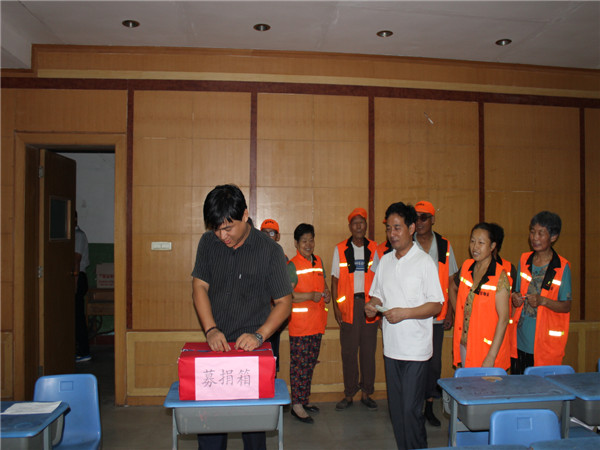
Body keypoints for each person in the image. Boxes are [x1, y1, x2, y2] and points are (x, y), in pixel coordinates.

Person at [191, 184, 292, 450]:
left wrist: (260, 335)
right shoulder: (208, 243)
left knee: (254, 430)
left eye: (228, 228)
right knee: (211, 428)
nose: (222, 235)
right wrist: (211, 329)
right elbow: (199, 286)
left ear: (245, 215)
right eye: (216, 228)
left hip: (253, 351)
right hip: (217, 346)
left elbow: (284, 303)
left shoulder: (269, 250)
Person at [365, 202, 444, 450]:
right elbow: (378, 295)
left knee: (411, 410)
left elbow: (436, 305)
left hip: (416, 352)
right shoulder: (385, 261)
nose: (392, 234)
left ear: (411, 228)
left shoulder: (424, 262)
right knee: (397, 411)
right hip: (391, 349)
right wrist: (372, 305)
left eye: (397, 228)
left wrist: (405, 313)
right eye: (389, 228)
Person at [413, 200, 458, 427]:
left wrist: (450, 311)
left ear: (433, 220)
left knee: (433, 364)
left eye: (424, 217)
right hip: (412, 316)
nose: (419, 222)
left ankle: (429, 406)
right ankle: (414, 407)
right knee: (414, 363)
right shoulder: (407, 243)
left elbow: (451, 281)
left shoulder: (444, 245)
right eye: (416, 217)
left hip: (437, 317)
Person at [510, 211, 571, 373]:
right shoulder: (524, 259)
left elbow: (566, 305)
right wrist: (515, 297)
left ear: (553, 237)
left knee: (541, 387)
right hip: (519, 339)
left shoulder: (562, 267)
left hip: (545, 344)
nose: (534, 237)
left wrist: (543, 300)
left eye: (540, 233)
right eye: (532, 232)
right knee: (518, 384)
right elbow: (517, 292)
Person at [331, 208, 379, 412]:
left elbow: (380, 279)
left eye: (362, 222)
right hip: (348, 307)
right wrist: (336, 308)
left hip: (369, 307)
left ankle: (367, 392)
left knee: (368, 352)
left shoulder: (375, 248)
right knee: (349, 352)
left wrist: (378, 307)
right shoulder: (340, 249)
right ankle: (349, 393)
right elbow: (334, 280)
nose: (359, 226)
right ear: (350, 226)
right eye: (355, 223)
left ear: (366, 225)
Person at [287, 223, 331, 424]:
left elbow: (323, 285)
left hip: (317, 324)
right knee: (299, 366)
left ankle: (304, 400)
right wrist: (310, 296)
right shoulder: (292, 265)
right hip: (300, 326)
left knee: (309, 365)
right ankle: (296, 405)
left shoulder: (318, 261)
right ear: (296, 243)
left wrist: (327, 293)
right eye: (304, 241)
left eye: (311, 240)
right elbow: (288, 296)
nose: (308, 244)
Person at [452, 223, 510, 369]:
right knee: (467, 382)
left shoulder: (500, 276)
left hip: (488, 349)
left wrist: (491, 356)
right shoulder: (467, 266)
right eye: (472, 241)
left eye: (481, 243)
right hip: (465, 343)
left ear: (492, 246)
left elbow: (503, 319)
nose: (475, 247)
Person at [260, 218, 288, 372]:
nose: (268, 236)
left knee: (271, 362)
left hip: (274, 319)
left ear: (278, 236)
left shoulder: (284, 260)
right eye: (264, 233)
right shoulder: (253, 257)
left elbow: (286, 294)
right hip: (255, 319)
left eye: (272, 233)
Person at [74, 211, 91, 363]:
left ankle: (84, 351)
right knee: (73, 316)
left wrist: (75, 279)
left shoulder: (78, 235)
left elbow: (76, 259)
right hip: (75, 277)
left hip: (78, 277)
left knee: (78, 316)